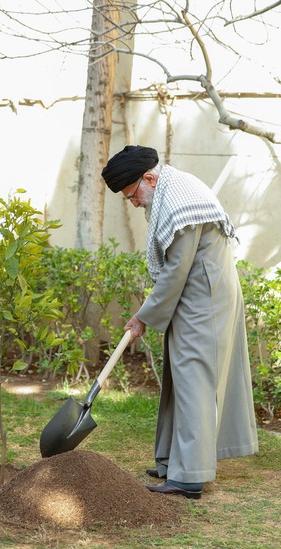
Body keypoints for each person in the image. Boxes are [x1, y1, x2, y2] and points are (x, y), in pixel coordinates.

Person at [101, 145, 258, 500]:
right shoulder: (171, 189)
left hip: (205, 299)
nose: (135, 203)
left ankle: (189, 477)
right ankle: (173, 460)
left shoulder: (178, 202)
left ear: (149, 178)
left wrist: (143, 316)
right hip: (197, 295)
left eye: (132, 195)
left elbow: (175, 272)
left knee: (195, 382)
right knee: (181, 378)